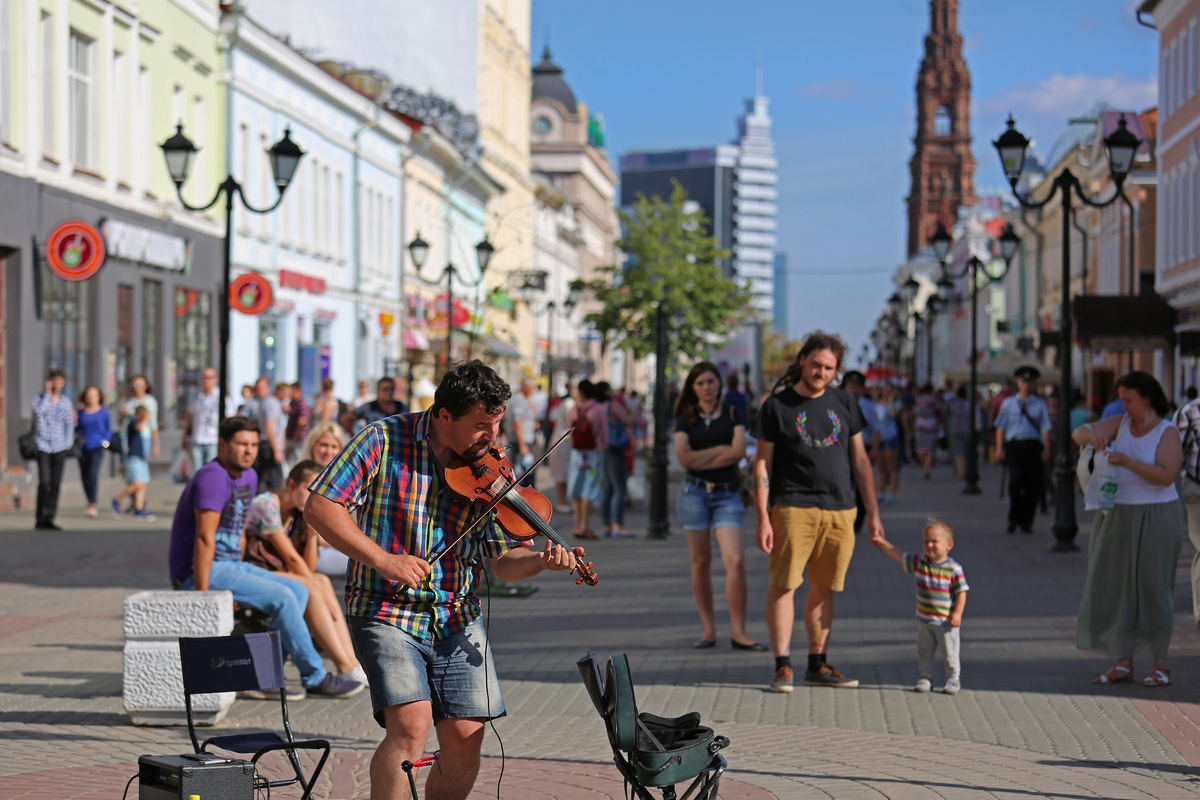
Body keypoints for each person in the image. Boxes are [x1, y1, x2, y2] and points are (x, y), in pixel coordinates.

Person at [304, 359, 585, 800]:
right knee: (412, 725)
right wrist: (383, 559)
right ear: (444, 415)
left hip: (457, 614)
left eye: (496, 423)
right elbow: (321, 507)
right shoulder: (382, 439)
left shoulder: (493, 469)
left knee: (466, 737)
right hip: (385, 606)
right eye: (480, 426)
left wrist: (539, 563)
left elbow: (502, 561)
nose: (492, 437)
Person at [169, 415, 363, 700]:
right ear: (222, 445)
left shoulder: (249, 475)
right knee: (283, 597)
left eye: (253, 444)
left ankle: (261, 674)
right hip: (200, 568)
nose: (248, 450)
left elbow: (241, 532)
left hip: (231, 564)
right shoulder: (213, 477)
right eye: (241, 444)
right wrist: (201, 594)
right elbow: (204, 538)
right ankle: (315, 676)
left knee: (298, 590)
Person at [754, 332, 883, 693]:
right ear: (802, 361)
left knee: (825, 587)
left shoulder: (844, 402)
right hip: (792, 506)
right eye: (816, 364)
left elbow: (860, 460)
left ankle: (817, 663)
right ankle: (783, 667)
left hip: (841, 508)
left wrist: (873, 511)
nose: (821, 372)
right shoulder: (777, 406)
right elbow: (762, 464)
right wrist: (763, 516)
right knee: (785, 585)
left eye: (829, 368)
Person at [1072, 371, 1186, 687]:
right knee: (1118, 587)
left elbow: (1166, 476)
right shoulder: (1121, 422)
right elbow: (1078, 433)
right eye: (1121, 399)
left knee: (1153, 587)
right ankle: (1124, 663)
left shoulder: (1167, 432)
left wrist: (1127, 462)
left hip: (1156, 514)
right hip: (1118, 513)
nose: (1123, 405)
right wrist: (1091, 436)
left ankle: (1161, 665)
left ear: (1147, 398)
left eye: (1128, 399)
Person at [245, 460, 368, 685]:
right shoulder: (266, 503)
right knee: (313, 585)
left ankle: (352, 663)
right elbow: (291, 559)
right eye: (310, 489)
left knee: (319, 579)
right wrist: (324, 597)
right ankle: (343, 664)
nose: (315, 495)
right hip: (251, 572)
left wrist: (312, 534)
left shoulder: (298, 512)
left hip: (274, 572)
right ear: (292, 485)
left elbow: (308, 567)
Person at [674, 361, 764, 651]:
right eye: (700, 383)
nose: (706, 387)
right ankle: (708, 630)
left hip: (727, 495)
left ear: (720, 383)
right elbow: (684, 460)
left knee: (735, 561)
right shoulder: (684, 417)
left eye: (711, 381)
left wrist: (703, 455)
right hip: (694, 494)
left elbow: (739, 450)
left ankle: (739, 632)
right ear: (693, 387)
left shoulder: (734, 413)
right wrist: (721, 452)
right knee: (700, 562)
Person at [870, 520, 968, 695]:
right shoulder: (920, 562)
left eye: (934, 541)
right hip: (925, 620)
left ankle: (953, 678)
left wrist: (958, 613)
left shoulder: (953, 569)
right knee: (924, 651)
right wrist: (882, 543)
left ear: (949, 545)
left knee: (950, 653)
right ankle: (926, 677)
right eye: (926, 541)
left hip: (946, 623)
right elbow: (899, 555)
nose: (929, 545)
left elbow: (961, 592)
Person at [994, 367, 1052, 534]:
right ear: (1018, 383)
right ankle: (1013, 519)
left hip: (1033, 447)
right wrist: (999, 448)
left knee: (1031, 486)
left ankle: (1026, 522)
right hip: (1014, 447)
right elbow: (1000, 427)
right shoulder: (1009, 403)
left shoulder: (1040, 404)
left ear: (1034, 385)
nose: (1026, 385)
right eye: (1023, 382)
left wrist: (1047, 449)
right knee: (1015, 483)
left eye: (1030, 382)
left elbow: (1046, 428)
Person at [299, 421, 352, 577]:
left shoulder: (347, 481)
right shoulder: (303, 477)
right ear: (312, 446)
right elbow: (304, 530)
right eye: (323, 445)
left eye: (334, 446)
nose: (328, 451)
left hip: (339, 546)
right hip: (314, 549)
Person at [32, 368, 76, 530]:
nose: (56, 384)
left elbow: (69, 424)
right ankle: (39, 516)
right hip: (43, 445)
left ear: (63, 383)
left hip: (60, 446)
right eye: (53, 381)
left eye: (59, 381)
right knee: (44, 482)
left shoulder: (65, 401)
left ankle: (50, 516)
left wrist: (68, 444)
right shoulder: (40, 398)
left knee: (56, 483)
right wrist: (48, 394)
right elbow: (39, 411)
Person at [568, 379, 608, 540]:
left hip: (577, 453)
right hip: (593, 453)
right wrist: (603, 446)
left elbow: (570, 430)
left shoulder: (573, 408)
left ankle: (577, 525)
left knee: (576, 488)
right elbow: (604, 431)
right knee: (589, 489)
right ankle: (585, 525)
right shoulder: (598, 409)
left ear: (581, 391)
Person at [840, 371, 876, 533]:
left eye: (857, 387)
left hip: (864, 448)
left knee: (862, 485)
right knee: (843, 485)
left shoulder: (869, 406)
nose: (854, 390)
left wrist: (874, 450)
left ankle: (858, 521)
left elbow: (876, 430)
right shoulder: (837, 403)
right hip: (842, 450)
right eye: (851, 386)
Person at [599, 381, 634, 538]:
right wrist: (632, 408)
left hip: (604, 449)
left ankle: (606, 525)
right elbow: (629, 420)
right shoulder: (612, 405)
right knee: (620, 488)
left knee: (607, 488)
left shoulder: (598, 407)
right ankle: (617, 526)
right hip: (615, 449)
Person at [112, 406, 156, 521]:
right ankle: (117, 500)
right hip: (133, 457)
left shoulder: (136, 422)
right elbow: (138, 427)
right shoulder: (132, 422)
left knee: (142, 484)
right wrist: (146, 419)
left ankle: (139, 509)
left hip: (140, 457)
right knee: (138, 483)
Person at [242, 377, 286, 491]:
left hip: (267, 445)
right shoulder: (270, 404)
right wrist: (277, 450)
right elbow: (269, 429)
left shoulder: (265, 403)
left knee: (263, 481)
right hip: (268, 446)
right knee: (275, 484)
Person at [76, 385, 112, 518]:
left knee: (92, 474)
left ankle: (93, 503)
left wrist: (105, 442)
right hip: (82, 448)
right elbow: (76, 428)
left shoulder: (104, 412)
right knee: (85, 477)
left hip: (97, 447)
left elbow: (108, 430)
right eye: (88, 396)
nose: (90, 399)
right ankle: (89, 501)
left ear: (99, 397)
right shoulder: (80, 412)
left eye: (93, 396)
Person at [183, 367, 226, 472]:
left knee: (211, 471)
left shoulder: (221, 397)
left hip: (213, 440)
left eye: (209, 378)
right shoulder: (196, 396)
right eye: (204, 378)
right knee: (197, 472)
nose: (206, 381)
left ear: (215, 379)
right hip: (197, 439)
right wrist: (184, 436)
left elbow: (228, 418)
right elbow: (189, 417)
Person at [548, 381, 576, 513]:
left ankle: (563, 501)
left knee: (562, 473)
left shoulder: (564, 403)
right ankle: (562, 501)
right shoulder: (569, 403)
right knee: (561, 474)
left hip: (561, 439)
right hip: (563, 440)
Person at [872, 383, 902, 503]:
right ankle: (881, 493)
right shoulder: (875, 405)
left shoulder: (896, 404)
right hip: (878, 439)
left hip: (890, 437)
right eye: (885, 390)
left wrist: (891, 400)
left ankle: (893, 494)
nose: (887, 393)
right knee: (881, 468)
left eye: (890, 391)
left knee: (892, 467)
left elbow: (893, 413)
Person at [506, 377, 539, 484]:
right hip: (521, 441)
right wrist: (522, 445)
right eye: (532, 388)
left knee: (528, 472)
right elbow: (517, 423)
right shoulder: (518, 400)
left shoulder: (525, 399)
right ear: (525, 387)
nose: (533, 391)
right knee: (522, 474)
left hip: (526, 440)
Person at [120, 376, 160, 461]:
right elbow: (121, 420)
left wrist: (156, 444)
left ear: (146, 386)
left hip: (143, 436)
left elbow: (154, 424)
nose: (137, 388)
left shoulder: (150, 401)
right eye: (134, 385)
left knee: (138, 462)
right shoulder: (129, 401)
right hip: (128, 436)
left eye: (140, 385)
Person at [912, 384, 940, 479]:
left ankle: (925, 467)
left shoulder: (918, 399)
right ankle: (926, 468)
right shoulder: (933, 400)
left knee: (920, 449)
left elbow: (915, 411)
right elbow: (939, 410)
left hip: (920, 425)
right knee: (929, 449)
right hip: (931, 425)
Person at [945, 386, 973, 480]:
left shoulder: (953, 404)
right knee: (965, 451)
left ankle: (960, 471)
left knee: (958, 451)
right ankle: (964, 470)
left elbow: (947, 415)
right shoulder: (969, 404)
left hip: (955, 429)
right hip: (967, 429)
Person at [285, 383, 311, 460]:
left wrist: (293, 442)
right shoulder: (293, 404)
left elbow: (301, 423)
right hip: (292, 440)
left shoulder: (302, 405)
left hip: (298, 442)